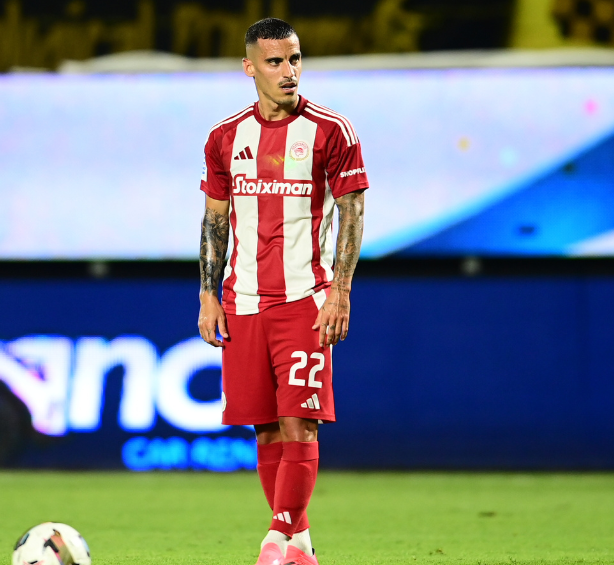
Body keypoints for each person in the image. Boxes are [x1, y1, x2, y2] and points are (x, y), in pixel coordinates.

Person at [196, 17, 368, 565]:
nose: (288, 71)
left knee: (301, 423)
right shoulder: (225, 138)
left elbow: (352, 214)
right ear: (250, 68)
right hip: (243, 303)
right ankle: (301, 547)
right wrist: (207, 293)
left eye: (294, 59)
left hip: (305, 301)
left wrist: (340, 291)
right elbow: (214, 220)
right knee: (267, 430)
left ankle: (275, 539)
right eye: (275, 61)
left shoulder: (332, 131)